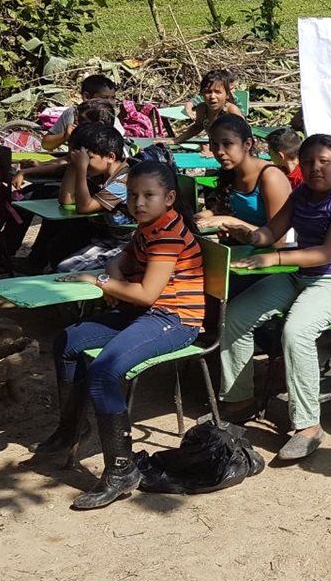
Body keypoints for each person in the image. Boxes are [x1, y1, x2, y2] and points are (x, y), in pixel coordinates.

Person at [35, 160, 206, 510]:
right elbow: (120, 262)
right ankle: (73, 429)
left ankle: (120, 470)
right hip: (146, 314)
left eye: (148, 195)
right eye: (131, 195)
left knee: (103, 372)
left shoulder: (169, 233)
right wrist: (111, 276)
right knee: (68, 340)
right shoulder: (148, 227)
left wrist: (99, 281)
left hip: (175, 319)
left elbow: (145, 293)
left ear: (169, 197)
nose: (138, 203)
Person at [217, 135, 331, 461]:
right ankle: (239, 400)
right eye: (307, 163)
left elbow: (327, 252)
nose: (315, 168)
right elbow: (271, 233)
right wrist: (246, 233)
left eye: (324, 162)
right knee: (236, 314)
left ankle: (308, 427)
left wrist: (272, 260)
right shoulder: (301, 192)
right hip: (301, 276)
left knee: (296, 330)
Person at [54, 124, 135, 273]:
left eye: (88, 158)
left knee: (67, 269)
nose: (83, 161)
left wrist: (81, 169)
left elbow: (84, 207)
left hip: (127, 245)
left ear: (110, 157)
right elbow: (66, 200)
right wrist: (74, 164)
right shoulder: (101, 176)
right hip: (106, 240)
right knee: (59, 255)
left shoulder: (124, 182)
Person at [195, 114, 290, 233]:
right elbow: (229, 210)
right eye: (214, 144)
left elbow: (278, 239)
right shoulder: (230, 173)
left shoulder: (271, 177)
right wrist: (206, 215)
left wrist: (231, 222)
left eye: (227, 144)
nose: (219, 151)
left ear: (247, 144)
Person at [42, 74, 123, 151]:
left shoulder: (110, 118)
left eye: (112, 98)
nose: (111, 102)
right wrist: (64, 136)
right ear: (86, 97)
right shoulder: (71, 114)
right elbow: (46, 144)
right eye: (104, 98)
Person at [174, 69, 243, 147]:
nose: (212, 97)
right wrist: (176, 140)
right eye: (207, 92)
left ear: (227, 94)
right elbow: (198, 126)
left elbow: (243, 135)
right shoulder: (201, 109)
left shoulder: (231, 111)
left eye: (218, 92)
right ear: (202, 94)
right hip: (214, 147)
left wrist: (220, 150)